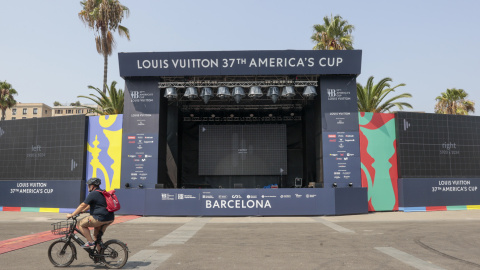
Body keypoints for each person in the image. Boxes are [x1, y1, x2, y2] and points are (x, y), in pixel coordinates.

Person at [66, 177, 114, 248]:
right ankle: (100, 257)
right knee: (97, 237)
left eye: (89, 185)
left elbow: (83, 205)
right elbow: (89, 205)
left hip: (99, 218)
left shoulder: (93, 193)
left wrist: (72, 214)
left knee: (80, 223)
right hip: (109, 218)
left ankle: (90, 242)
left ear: (92, 186)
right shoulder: (103, 192)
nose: (88, 187)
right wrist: (83, 211)